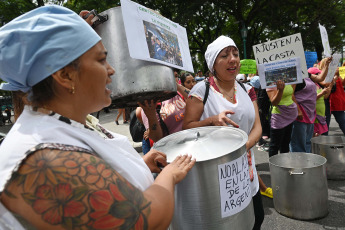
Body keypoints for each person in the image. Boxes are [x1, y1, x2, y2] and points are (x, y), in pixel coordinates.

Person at [0, 6, 195, 229]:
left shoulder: (66, 124)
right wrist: (168, 176)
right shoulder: (43, 158)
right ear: (65, 75)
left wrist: (140, 165)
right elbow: (147, 220)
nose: (111, 70)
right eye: (101, 60)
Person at [182, 35, 264, 229]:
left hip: (246, 164)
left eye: (235, 54)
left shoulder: (247, 89)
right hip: (217, 172)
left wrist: (243, 147)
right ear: (213, 64)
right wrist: (212, 121)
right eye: (225, 55)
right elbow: (187, 127)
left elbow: (257, 127)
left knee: (257, 217)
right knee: (229, 223)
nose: (233, 59)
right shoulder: (201, 90)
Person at [289, 57, 332, 153]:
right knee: (299, 144)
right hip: (300, 114)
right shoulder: (294, 75)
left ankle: (307, 165)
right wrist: (298, 111)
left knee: (307, 142)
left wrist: (326, 65)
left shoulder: (305, 73)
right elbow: (290, 94)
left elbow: (321, 78)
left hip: (310, 113)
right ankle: (299, 166)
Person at [266, 81, 298, 157]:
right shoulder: (270, 82)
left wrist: (299, 111)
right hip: (279, 116)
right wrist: (280, 90)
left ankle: (285, 165)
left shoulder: (288, 80)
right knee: (275, 145)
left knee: (286, 143)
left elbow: (292, 96)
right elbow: (274, 102)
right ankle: (274, 167)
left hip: (290, 115)